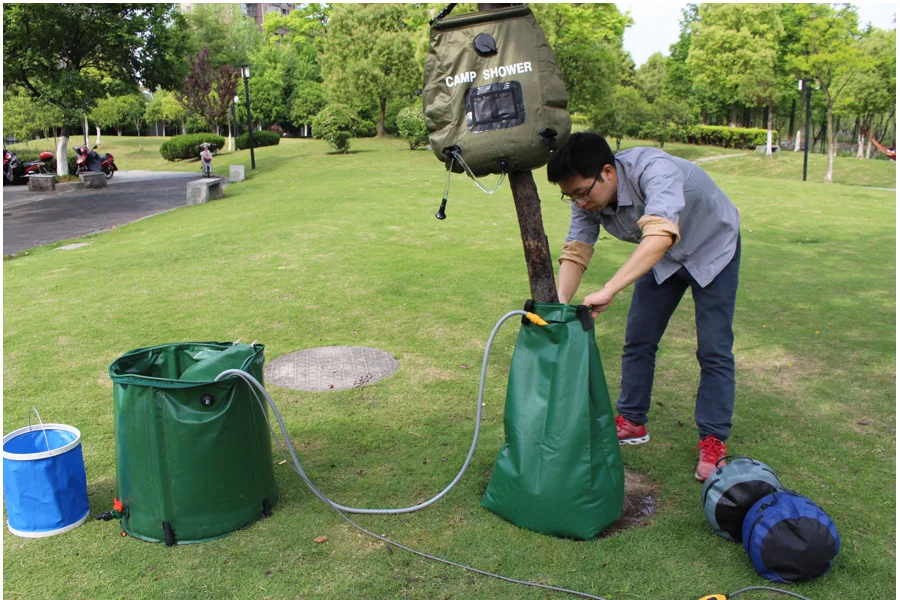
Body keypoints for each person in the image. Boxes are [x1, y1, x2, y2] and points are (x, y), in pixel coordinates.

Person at [546, 132, 741, 482]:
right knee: (639, 338)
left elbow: (661, 234)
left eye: (580, 192)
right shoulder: (588, 199)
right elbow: (576, 249)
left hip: (712, 248)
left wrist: (609, 289)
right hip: (665, 257)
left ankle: (713, 439)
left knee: (713, 349)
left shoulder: (654, 169)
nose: (578, 202)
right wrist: (560, 307)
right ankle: (633, 421)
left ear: (607, 172)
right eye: (569, 196)